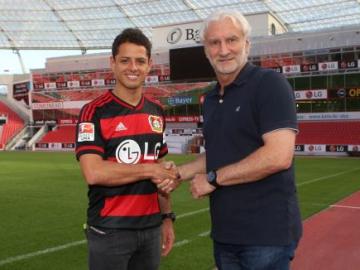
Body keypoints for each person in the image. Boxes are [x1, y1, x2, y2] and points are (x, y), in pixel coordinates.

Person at [176, 10, 302, 270]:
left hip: (266, 236)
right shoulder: (211, 98)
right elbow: (221, 152)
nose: (223, 50)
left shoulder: (270, 84)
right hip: (225, 235)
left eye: (231, 40)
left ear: (247, 43)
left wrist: (213, 179)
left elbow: (278, 156)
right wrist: (179, 173)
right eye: (214, 42)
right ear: (206, 50)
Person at [75, 28, 178, 270]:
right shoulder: (94, 111)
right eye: (125, 60)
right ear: (112, 63)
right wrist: (149, 170)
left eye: (140, 61)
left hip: (151, 229)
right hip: (110, 230)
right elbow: (94, 172)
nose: (133, 67)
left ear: (149, 65)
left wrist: (167, 218)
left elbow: (160, 169)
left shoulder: (156, 111)